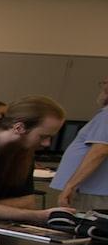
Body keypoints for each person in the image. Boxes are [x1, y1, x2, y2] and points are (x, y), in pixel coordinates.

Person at [0, 96, 73, 223]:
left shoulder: (23, 152)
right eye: (43, 136)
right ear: (19, 128)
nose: (46, 144)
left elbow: (28, 202)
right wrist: (38, 215)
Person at [51, 77, 108, 211]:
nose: (103, 86)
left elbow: (100, 150)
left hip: (93, 193)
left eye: (106, 83)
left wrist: (70, 186)